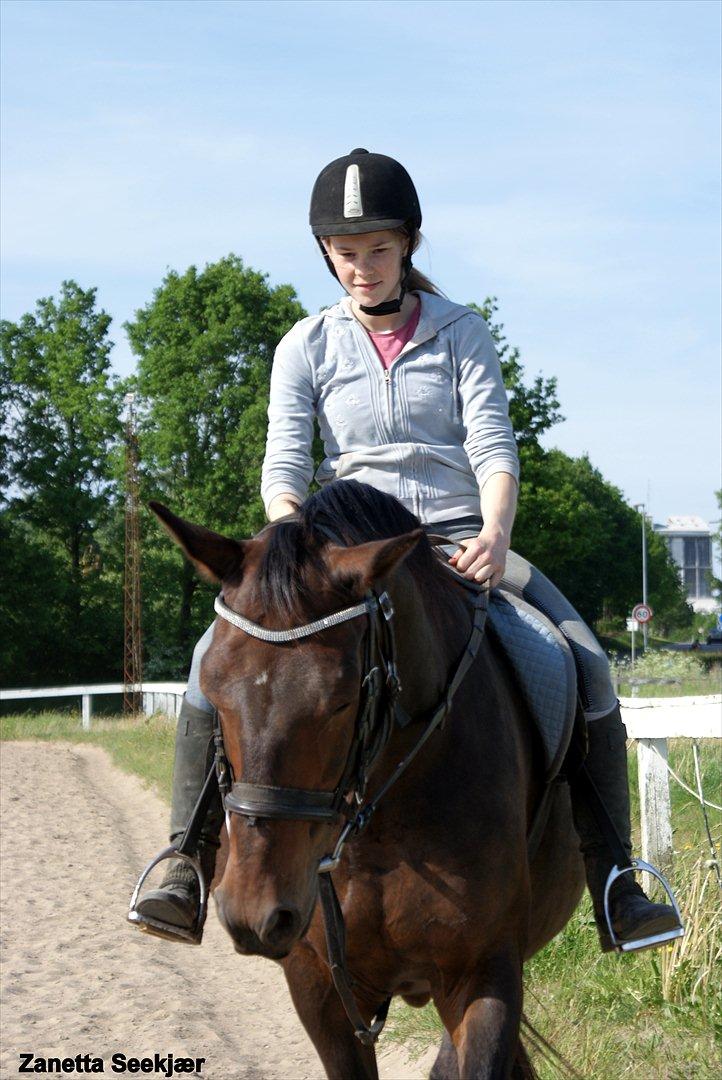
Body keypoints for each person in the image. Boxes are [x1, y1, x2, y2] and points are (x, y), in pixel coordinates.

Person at [134, 148, 680, 953]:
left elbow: (494, 449)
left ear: (409, 245)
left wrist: (495, 534)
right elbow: (284, 464)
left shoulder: (463, 332)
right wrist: (295, 554)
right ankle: (184, 861)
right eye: (346, 253)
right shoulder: (305, 346)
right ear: (326, 253)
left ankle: (615, 878)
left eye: (378, 250)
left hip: (457, 541)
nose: (362, 267)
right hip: (341, 554)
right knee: (207, 662)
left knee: (586, 661)